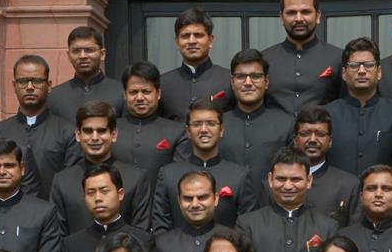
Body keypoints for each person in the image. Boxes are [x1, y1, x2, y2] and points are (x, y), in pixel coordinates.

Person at [236, 147, 339, 252]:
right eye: (281, 179)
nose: (288, 186)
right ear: (270, 180)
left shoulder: (327, 227)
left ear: (309, 181)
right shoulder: (248, 224)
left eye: (296, 179)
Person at [151, 100, 256, 233]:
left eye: (211, 124)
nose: (204, 130)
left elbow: (246, 228)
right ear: (188, 131)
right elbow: (160, 227)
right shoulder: (168, 174)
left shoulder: (240, 176)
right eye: (197, 124)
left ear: (221, 130)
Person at [50, 101, 154, 233]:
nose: (95, 137)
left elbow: (141, 233)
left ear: (114, 134)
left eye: (101, 131)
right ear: (78, 134)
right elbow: (58, 235)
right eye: (88, 131)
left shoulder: (136, 178)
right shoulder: (62, 181)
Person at [0, 54, 80, 200]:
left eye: (37, 81)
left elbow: (71, 183)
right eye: (22, 81)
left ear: (49, 86)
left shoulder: (67, 132)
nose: (29, 87)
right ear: (14, 86)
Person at [220, 48, 295, 199]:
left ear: (266, 82)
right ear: (232, 82)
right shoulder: (217, 124)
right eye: (241, 76)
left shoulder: (287, 124)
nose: (248, 83)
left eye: (255, 76)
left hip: (272, 211)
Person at [324, 37, 392, 175]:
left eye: (369, 65)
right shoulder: (326, 114)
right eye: (354, 65)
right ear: (343, 73)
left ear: (379, 72)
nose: (361, 71)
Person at [262, 0, 343, 115]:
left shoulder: (338, 58)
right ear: (281, 17)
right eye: (291, 12)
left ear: (317, 16)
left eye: (305, 12)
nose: (299, 18)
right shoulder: (265, 60)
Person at [113, 62, 189, 177]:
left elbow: (178, 177)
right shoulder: (110, 130)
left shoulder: (177, 131)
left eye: (146, 91)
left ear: (158, 93)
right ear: (124, 95)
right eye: (133, 92)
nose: (139, 98)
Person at [158, 7, 232, 121]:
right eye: (185, 36)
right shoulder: (162, 83)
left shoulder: (229, 80)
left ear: (211, 40)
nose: (192, 41)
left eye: (198, 35)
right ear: (177, 42)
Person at [294, 105, 361, 225]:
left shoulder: (349, 186)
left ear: (330, 141)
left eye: (320, 134)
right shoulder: (275, 185)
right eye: (305, 133)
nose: (313, 140)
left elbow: (355, 233)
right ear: (295, 141)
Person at [48, 26, 124, 122]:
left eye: (89, 50)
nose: (82, 56)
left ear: (102, 54)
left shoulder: (121, 93)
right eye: (76, 51)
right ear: (68, 56)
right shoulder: (54, 97)